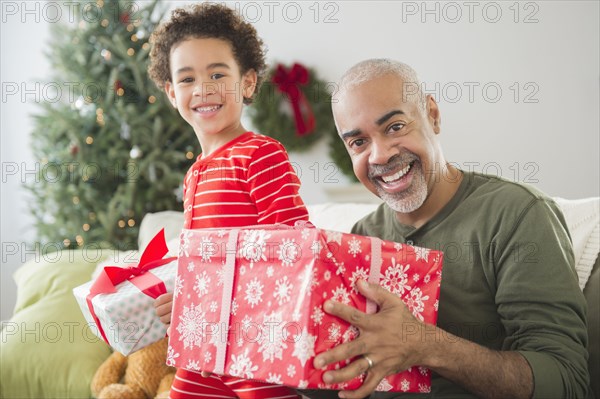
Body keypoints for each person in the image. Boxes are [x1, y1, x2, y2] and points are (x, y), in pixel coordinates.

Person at [303, 59, 590, 399]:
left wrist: (424, 343)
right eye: (359, 142)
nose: (379, 155)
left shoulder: (516, 214)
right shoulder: (361, 235)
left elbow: (565, 382)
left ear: (433, 115)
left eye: (395, 127)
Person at [147, 4, 308, 399]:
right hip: (202, 340)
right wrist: (180, 293)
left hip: (255, 341)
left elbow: (296, 247)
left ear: (248, 83)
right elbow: (201, 262)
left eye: (218, 74)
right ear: (172, 94)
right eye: (187, 79)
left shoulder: (260, 154)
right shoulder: (194, 175)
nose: (203, 89)